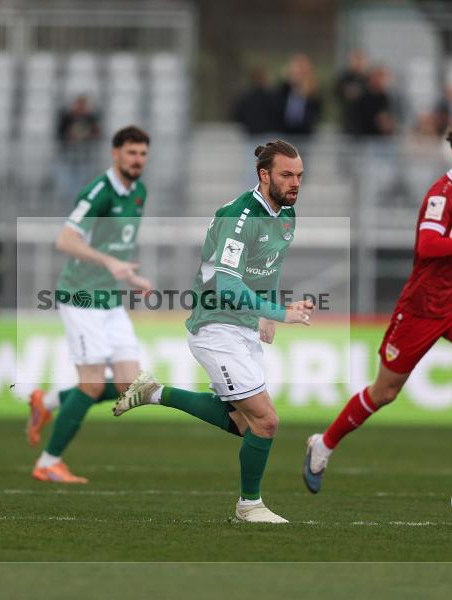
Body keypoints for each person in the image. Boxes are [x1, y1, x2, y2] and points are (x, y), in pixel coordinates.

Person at [303, 117, 452, 495]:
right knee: (384, 393)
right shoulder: (442, 195)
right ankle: (322, 445)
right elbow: (428, 245)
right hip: (420, 309)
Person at [112, 140, 314, 523]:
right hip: (215, 326)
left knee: (243, 423)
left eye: (300, 175)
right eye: (287, 175)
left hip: (243, 328)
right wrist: (278, 312)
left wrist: (266, 315)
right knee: (266, 422)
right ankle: (248, 506)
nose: (295, 183)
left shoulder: (286, 214)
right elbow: (228, 286)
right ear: (264, 175)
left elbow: (267, 267)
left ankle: (153, 392)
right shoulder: (239, 218)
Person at [26, 125, 152, 484]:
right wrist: (109, 264)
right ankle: (48, 462)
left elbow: (114, 245)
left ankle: (46, 403)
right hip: (81, 296)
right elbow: (65, 240)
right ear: (115, 154)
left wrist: (127, 275)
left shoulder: (139, 191)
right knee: (93, 385)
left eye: (143, 154)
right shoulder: (98, 191)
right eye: (131, 153)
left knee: (130, 385)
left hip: (110, 297)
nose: (137, 160)